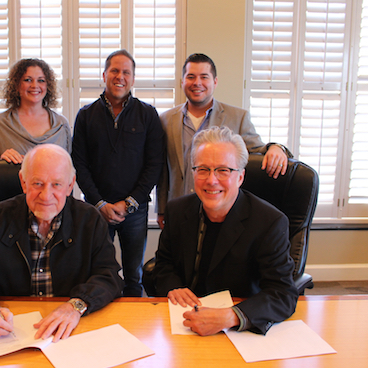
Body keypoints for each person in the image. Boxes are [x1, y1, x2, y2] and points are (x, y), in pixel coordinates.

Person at [0, 144, 123, 342]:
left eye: (57, 184)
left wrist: (76, 305)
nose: (46, 195)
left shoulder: (90, 220)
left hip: (70, 330)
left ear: (70, 185)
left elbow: (109, 277)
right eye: (38, 184)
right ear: (23, 183)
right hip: (13, 331)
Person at [153, 126, 298, 335]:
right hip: (184, 320)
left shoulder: (269, 222)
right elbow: (163, 263)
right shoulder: (177, 210)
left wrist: (232, 316)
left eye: (223, 170)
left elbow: (283, 293)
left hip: (238, 330)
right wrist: (173, 286)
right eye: (203, 169)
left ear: (240, 177)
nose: (211, 180)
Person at [156, 53, 291, 228]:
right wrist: (161, 209)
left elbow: (258, 149)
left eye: (204, 77)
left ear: (215, 81)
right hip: (180, 211)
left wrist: (276, 147)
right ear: (182, 82)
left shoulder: (238, 117)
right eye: (191, 77)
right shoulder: (165, 120)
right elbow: (163, 170)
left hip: (221, 211)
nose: (197, 83)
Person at [72, 49, 165, 297]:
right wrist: (100, 202)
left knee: (134, 274)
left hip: (134, 210)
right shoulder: (85, 116)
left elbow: (154, 164)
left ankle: (131, 322)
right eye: (114, 70)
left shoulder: (148, 115)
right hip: (96, 208)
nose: (119, 76)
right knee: (95, 269)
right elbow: (79, 164)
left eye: (126, 72)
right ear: (104, 75)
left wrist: (129, 203)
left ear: (133, 79)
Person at [0, 58, 71, 163]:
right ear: (17, 85)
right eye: (27, 80)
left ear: (48, 86)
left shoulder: (61, 124)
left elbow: (69, 169)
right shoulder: (0, 123)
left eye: (41, 80)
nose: (34, 85)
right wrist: (1, 163)